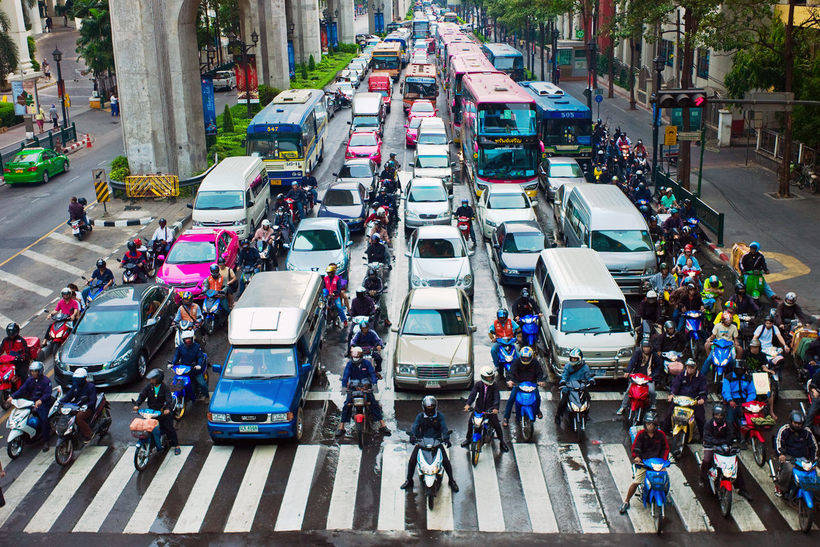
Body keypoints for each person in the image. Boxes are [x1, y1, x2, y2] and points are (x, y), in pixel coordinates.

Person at [401, 396, 458, 492]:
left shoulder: (440, 416)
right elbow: (415, 426)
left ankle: (451, 481)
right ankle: (409, 480)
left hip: (437, 442)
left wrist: (446, 438)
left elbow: (444, 428)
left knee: (446, 461)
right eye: (428, 407)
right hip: (422, 442)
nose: (430, 409)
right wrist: (413, 436)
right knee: (412, 461)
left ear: (435, 407)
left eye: (431, 407)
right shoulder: (420, 416)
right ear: (424, 407)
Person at [619, 411, 670, 514]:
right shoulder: (641, 434)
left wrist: (664, 461)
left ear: (656, 425)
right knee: (636, 482)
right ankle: (626, 501)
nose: (650, 426)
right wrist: (637, 457)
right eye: (648, 424)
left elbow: (666, 448)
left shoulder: (661, 435)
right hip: (644, 463)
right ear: (645, 424)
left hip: (658, 464)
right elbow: (635, 448)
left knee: (665, 480)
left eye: (652, 424)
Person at [336, 347, 390, 437]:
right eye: (354, 356)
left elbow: (372, 374)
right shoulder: (349, 364)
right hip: (354, 388)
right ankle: (341, 427)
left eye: (357, 356)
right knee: (347, 404)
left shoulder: (367, 363)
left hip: (366, 387)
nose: (355, 358)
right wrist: (344, 387)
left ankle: (382, 425)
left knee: (374, 404)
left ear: (361, 356)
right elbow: (345, 376)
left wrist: (374, 384)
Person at [700, 404, 752, 499]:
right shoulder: (709, 423)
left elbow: (730, 436)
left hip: (724, 448)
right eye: (716, 415)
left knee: (735, 467)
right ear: (713, 415)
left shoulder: (728, 424)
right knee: (706, 460)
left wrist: (725, 443)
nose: (718, 417)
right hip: (711, 446)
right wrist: (718, 442)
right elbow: (706, 437)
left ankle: (742, 489)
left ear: (724, 416)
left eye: (720, 415)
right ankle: (703, 479)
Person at [133, 369, 181, 455]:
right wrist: (137, 404)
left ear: (158, 379)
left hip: (162, 412)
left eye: (153, 379)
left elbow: (168, 399)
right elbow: (142, 395)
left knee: (169, 428)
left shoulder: (165, 388)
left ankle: (177, 446)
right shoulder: (149, 386)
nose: (151, 380)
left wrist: (167, 409)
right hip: (152, 412)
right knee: (147, 427)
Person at [461, 366, 508, 452]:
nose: (489, 379)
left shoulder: (494, 385)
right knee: (471, 422)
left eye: (491, 377)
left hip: (490, 409)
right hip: (479, 408)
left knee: (496, 425)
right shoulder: (478, 384)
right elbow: (473, 394)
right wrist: (468, 404)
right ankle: (468, 439)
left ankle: (502, 442)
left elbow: (497, 397)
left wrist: (495, 408)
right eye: (487, 378)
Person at [8, 362, 52, 451]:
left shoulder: (46, 381)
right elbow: (22, 389)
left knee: (44, 420)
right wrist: (12, 396)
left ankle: (46, 441)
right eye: (32, 371)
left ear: (40, 371)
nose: (33, 373)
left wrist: (41, 400)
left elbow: (48, 394)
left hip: (43, 403)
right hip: (31, 402)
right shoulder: (30, 380)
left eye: (35, 371)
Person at [774, 410, 818, 498]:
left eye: (800, 424)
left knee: (813, 472)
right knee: (789, 469)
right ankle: (781, 488)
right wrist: (781, 454)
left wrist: (813, 459)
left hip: (803, 458)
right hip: (788, 457)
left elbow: (814, 446)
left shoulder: (807, 432)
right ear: (791, 422)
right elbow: (779, 442)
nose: (798, 425)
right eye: (795, 423)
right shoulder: (784, 430)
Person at [663, 359, 707, 436]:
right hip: (680, 400)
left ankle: (703, 437)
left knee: (700, 417)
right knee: (670, 412)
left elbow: (703, 389)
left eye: (692, 367)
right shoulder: (681, 375)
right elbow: (675, 386)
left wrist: (702, 398)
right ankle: (665, 431)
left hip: (694, 401)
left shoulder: (701, 377)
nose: (689, 369)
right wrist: (672, 394)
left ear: (696, 367)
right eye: (688, 367)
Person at [616, 339, 661, 415]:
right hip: (637, 377)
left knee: (652, 391)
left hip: (648, 377)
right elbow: (632, 362)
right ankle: (623, 406)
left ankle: (653, 404)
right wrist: (628, 371)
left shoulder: (654, 355)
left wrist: (653, 376)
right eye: (644, 347)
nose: (646, 349)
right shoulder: (637, 353)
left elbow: (658, 367)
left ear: (650, 348)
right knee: (629, 391)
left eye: (648, 347)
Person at [503, 346, 546, 425]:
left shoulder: (535, 362)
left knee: (537, 398)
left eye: (527, 358)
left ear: (531, 357)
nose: (525, 359)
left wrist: (540, 381)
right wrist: (509, 381)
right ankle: (506, 417)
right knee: (511, 399)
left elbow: (540, 372)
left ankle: (537, 410)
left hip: (532, 384)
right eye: (524, 358)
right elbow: (511, 372)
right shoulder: (516, 362)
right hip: (518, 384)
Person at [555, 348, 593, 424]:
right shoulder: (568, 366)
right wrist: (563, 381)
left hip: (581, 387)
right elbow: (565, 375)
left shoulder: (585, 367)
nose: (573, 360)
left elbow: (588, 376)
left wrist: (591, 380)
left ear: (580, 359)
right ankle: (558, 416)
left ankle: (586, 413)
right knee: (563, 401)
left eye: (575, 359)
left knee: (588, 398)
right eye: (572, 358)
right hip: (569, 387)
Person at [59, 368, 97, 442]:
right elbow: (68, 396)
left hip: (87, 408)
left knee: (78, 418)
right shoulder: (75, 386)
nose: (77, 381)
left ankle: (89, 434)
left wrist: (86, 405)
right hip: (76, 406)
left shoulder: (90, 386)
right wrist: (60, 402)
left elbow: (93, 400)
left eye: (78, 379)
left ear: (84, 379)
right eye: (76, 379)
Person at [744, 339, 778, 420]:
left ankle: (771, 411)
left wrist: (768, 371)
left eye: (756, 347)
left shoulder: (762, 355)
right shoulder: (746, 353)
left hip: (759, 375)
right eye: (753, 347)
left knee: (769, 391)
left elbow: (764, 366)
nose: (755, 349)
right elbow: (743, 364)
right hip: (749, 375)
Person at [170, 330, 208, 399]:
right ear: (183, 340)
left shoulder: (197, 347)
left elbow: (200, 357)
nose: (188, 340)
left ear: (192, 338)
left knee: (202, 384)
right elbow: (176, 356)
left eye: (189, 338)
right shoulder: (180, 347)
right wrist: (173, 364)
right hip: (185, 369)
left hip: (195, 369)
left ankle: (206, 396)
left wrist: (199, 365)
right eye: (186, 339)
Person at [721, 362, 756, 436]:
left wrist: (748, 403)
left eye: (741, 370)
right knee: (730, 420)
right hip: (732, 401)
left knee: (750, 419)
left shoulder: (748, 378)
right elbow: (726, 391)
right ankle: (730, 436)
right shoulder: (728, 378)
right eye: (738, 370)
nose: (740, 371)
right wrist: (730, 400)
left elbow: (752, 392)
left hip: (744, 401)